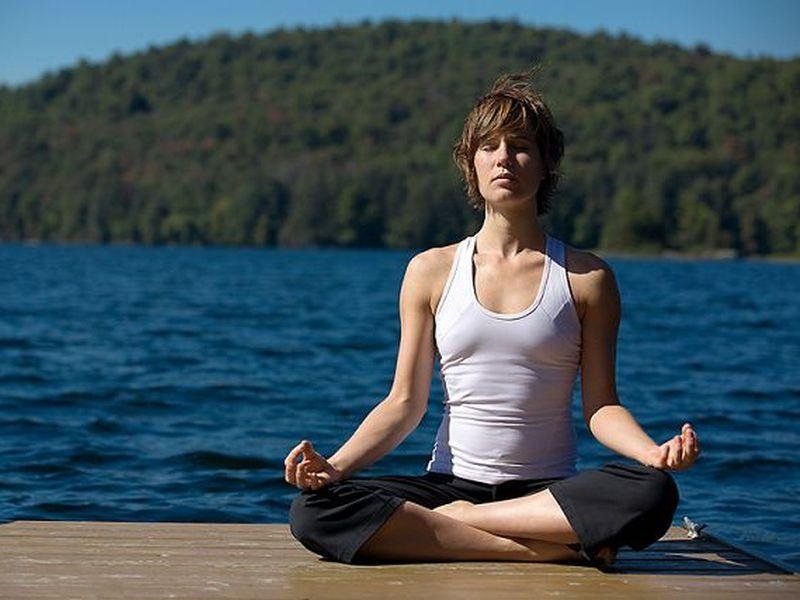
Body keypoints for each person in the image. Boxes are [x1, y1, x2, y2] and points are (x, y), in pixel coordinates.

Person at [284, 68, 700, 567]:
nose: (504, 157)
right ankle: (544, 550)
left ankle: (463, 524)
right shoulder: (431, 271)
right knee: (314, 511)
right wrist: (334, 467)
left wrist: (650, 453)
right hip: (449, 483)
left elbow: (601, 407)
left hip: (545, 494)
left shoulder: (587, 278)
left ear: (546, 165)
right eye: (489, 146)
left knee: (652, 492)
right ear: (471, 164)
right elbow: (404, 403)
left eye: (520, 146)